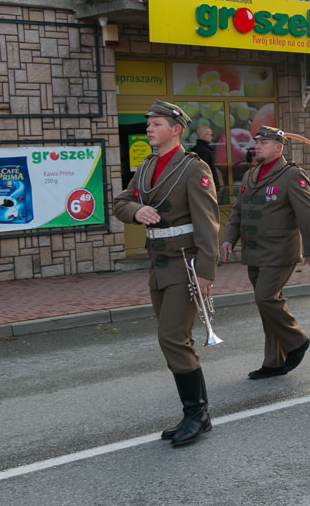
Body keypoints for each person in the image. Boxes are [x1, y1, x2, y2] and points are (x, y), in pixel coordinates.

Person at [113, 100, 220, 446]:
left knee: (172, 337)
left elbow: (208, 222)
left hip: (185, 265)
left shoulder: (193, 168)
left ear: (176, 129)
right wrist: (137, 210)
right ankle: (195, 412)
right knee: (174, 338)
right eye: (148, 124)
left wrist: (206, 271)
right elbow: (120, 202)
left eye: (156, 124)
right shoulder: (146, 168)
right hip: (158, 265)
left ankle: (198, 414)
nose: (149, 128)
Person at [220, 126, 310, 380]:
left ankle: (298, 340)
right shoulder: (251, 175)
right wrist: (229, 239)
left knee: (266, 299)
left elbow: (307, 215)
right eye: (257, 142)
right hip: (254, 252)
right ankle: (274, 361)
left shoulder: (292, 175)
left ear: (278, 147)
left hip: (280, 251)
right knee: (267, 307)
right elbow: (237, 212)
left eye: (264, 142)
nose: (257, 146)